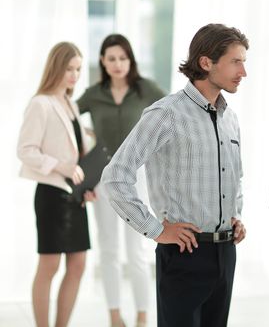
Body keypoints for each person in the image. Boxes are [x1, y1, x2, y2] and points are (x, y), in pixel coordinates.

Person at [101, 23, 248, 327]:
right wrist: (156, 230)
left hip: (226, 253)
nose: (243, 72)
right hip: (184, 253)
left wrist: (235, 215)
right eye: (236, 62)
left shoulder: (230, 118)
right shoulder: (166, 114)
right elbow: (116, 175)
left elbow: (236, 177)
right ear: (206, 62)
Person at [77, 34, 165, 327]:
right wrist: (84, 143)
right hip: (102, 176)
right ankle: (114, 315)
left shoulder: (146, 90)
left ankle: (142, 315)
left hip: (137, 174)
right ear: (102, 60)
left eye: (122, 58)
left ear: (131, 60)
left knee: (136, 247)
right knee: (109, 248)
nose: (117, 64)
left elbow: (173, 113)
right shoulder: (93, 94)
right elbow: (67, 117)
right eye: (111, 58)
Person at [17, 42, 95, 327]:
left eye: (78, 69)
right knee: (49, 265)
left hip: (74, 196)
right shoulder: (41, 103)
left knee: (78, 264)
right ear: (56, 67)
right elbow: (25, 150)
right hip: (51, 194)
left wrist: (87, 183)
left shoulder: (70, 104)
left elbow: (78, 153)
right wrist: (62, 167)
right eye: (69, 68)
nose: (74, 75)